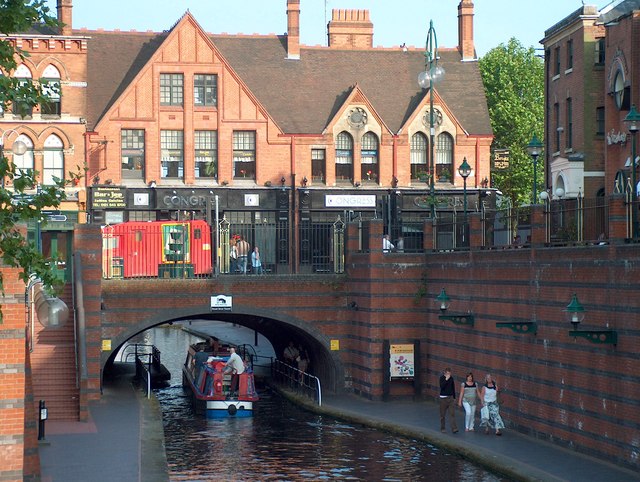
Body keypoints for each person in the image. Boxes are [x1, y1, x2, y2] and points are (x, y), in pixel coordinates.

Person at [439, 367, 458, 433]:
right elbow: (442, 387)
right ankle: (442, 428)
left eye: (449, 373)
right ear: (445, 373)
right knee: (442, 415)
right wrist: (446, 380)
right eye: (447, 373)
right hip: (443, 398)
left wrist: (454, 397)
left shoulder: (451, 378)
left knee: (452, 413)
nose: (449, 375)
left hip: (450, 398)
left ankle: (454, 428)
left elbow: (453, 388)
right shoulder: (442, 378)